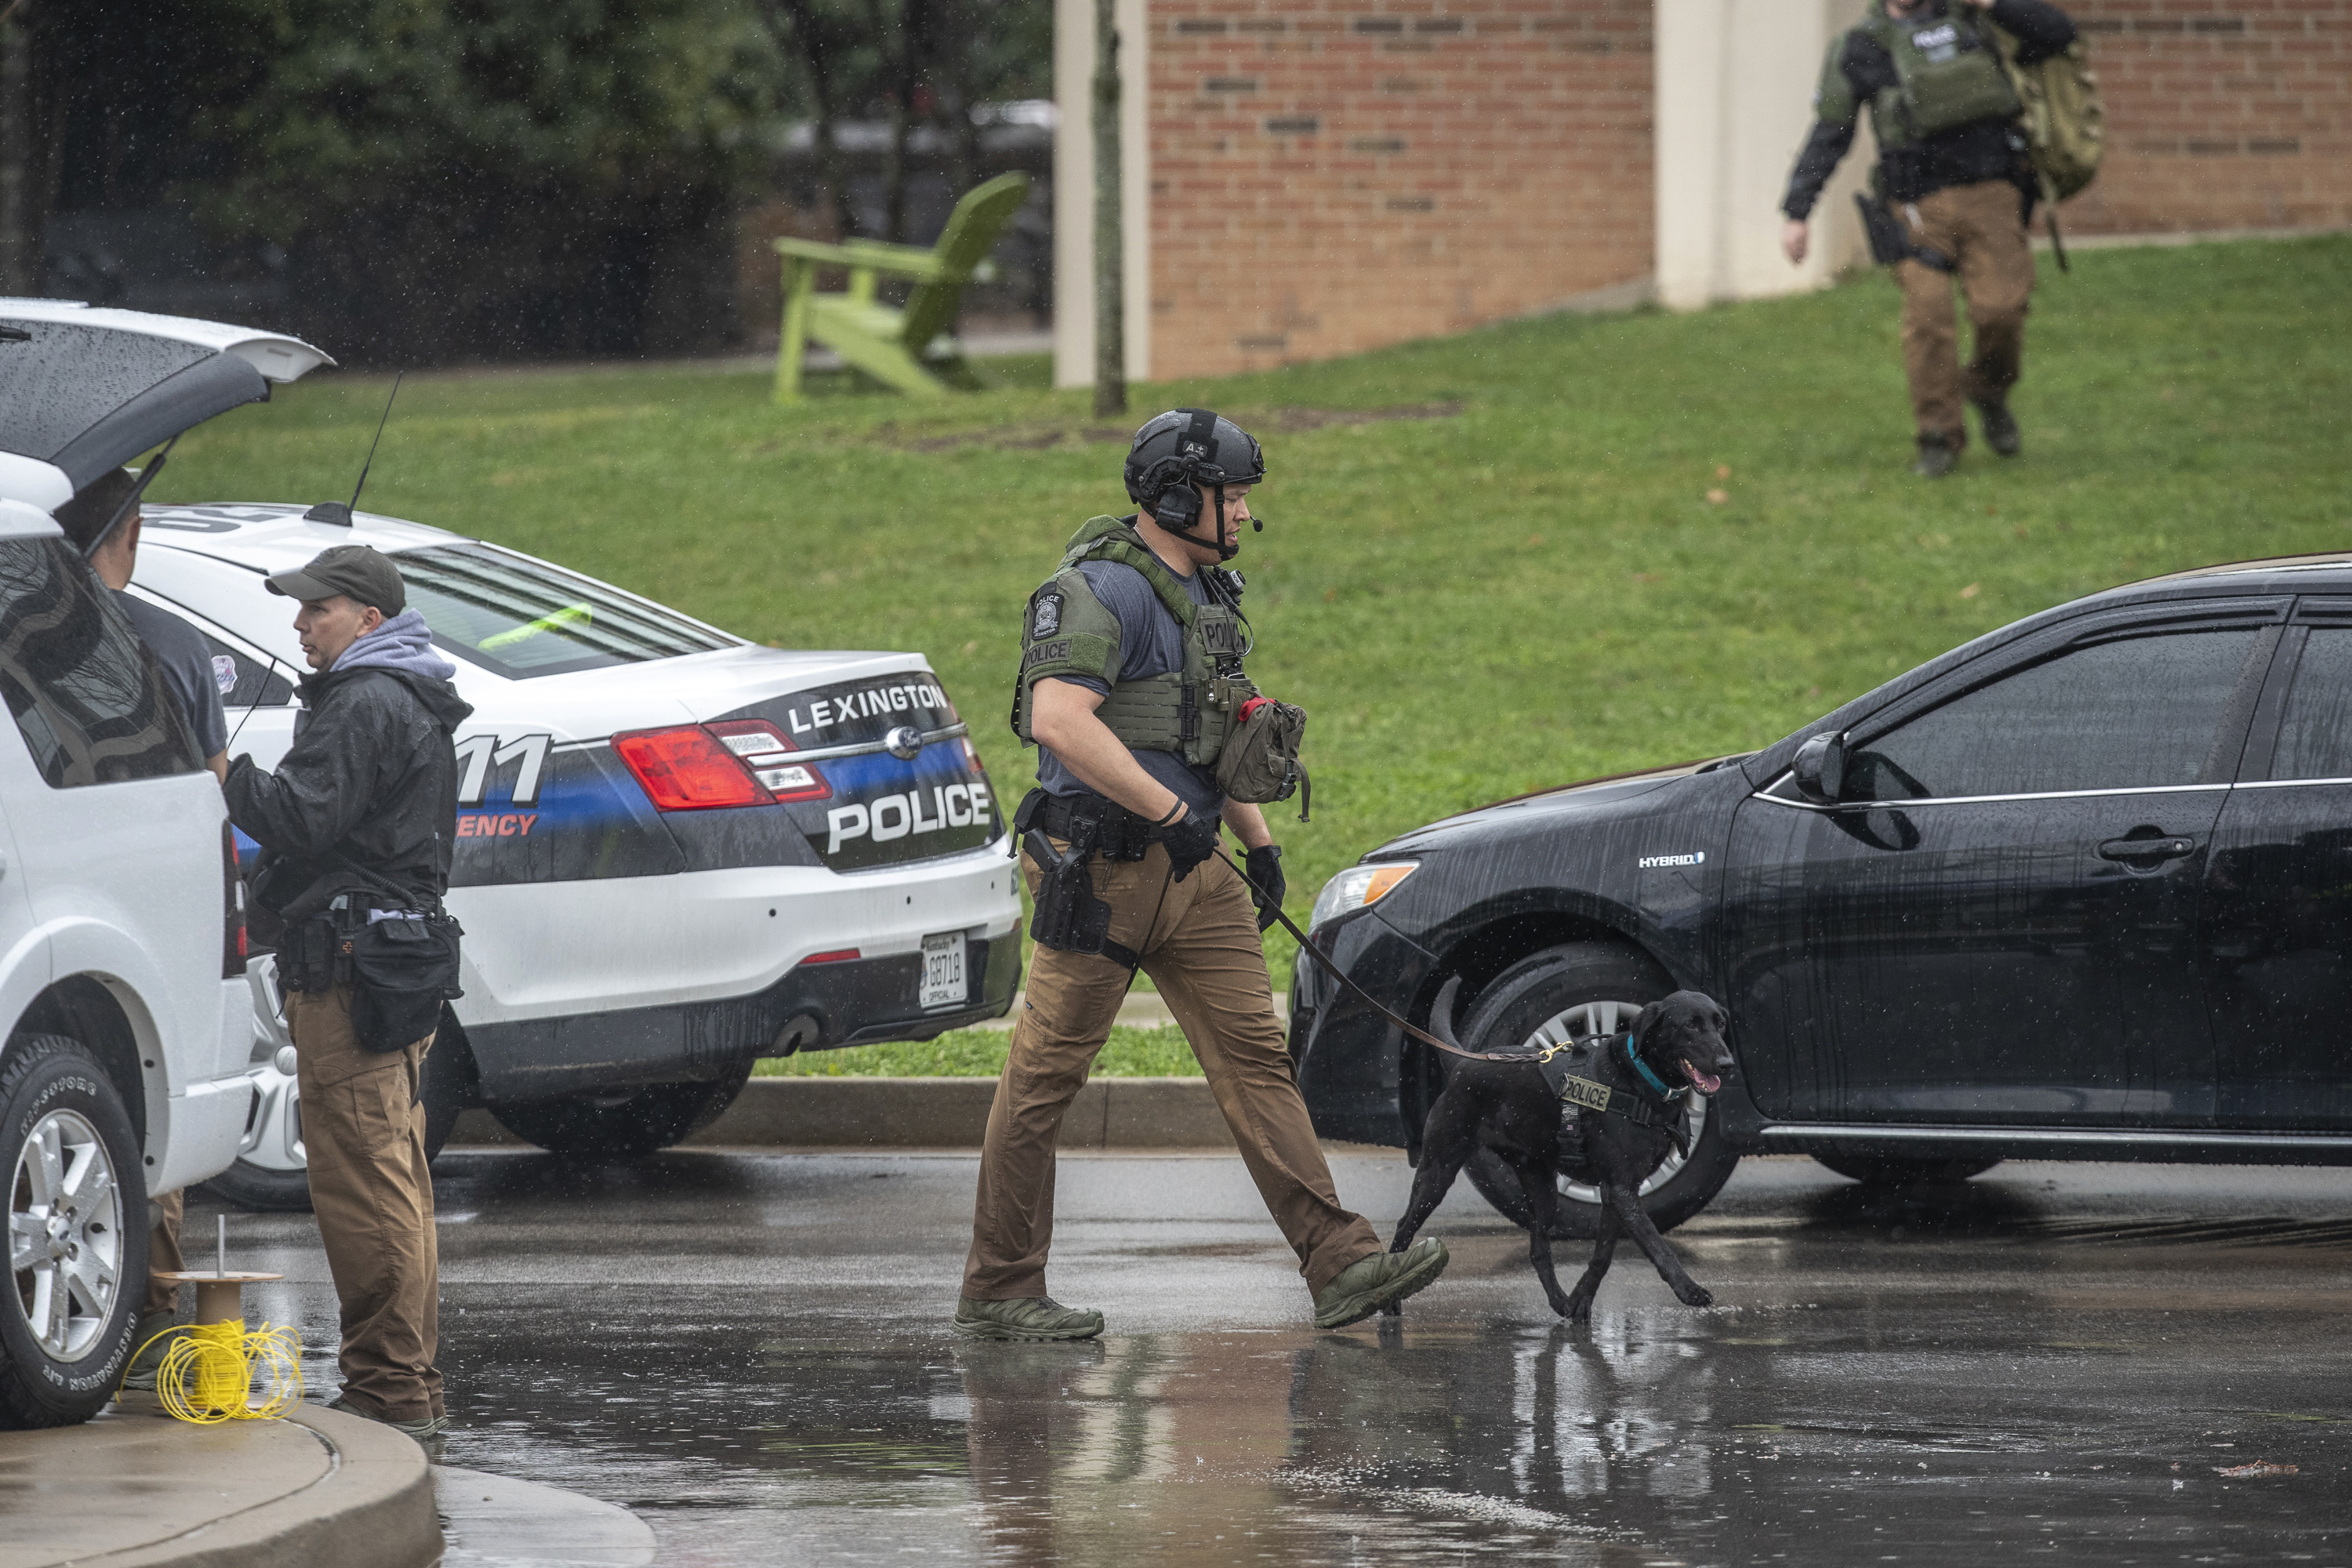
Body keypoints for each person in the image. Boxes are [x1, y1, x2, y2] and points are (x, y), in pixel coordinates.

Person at [958, 408, 1448, 1340]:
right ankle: (1000, 1288)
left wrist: (1257, 842)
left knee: (1257, 1060)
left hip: (1196, 866)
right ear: (1181, 497)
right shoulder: (1099, 590)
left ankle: (1341, 1260)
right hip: (1102, 871)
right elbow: (1059, 720)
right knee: (1044, 1078)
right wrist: (1168, 813)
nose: (1247, 512)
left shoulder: (1208, 596)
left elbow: (1215, 729)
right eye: (1234, 495)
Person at [220, 543, 470, 1439]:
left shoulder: (364, 699)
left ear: (368, 619)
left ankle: (389, 1386)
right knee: (394, 1178)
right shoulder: (402, 692)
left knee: (365, 1186)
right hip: (386, 970)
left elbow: (301, 815)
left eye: (315, 608)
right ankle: (405, 1380)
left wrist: (225, 774)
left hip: (352, 977)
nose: (299, 623)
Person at [52, 468, 230, 1391]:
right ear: (134, 531)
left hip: (41, 914)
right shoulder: (172, 643)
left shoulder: (31, 634)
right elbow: (215, 788)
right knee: (150, 1122)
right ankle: (148, 1330)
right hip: (153, 923)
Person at [1780, 0, 2079, 477]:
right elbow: (1831, 130)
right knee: (1928, 319)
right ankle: (1938, 435)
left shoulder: (1975, 21)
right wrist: (1798, 212)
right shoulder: (1861, 47)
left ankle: (1988, 388)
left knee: (2001, 312)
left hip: (1992, 194)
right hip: (1913, 206)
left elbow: (2058, 33)